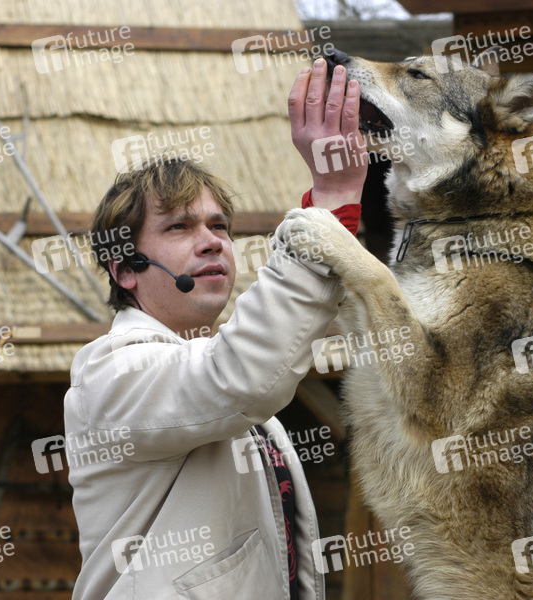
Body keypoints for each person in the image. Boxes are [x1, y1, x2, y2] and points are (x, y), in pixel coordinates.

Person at [65, 58, 368, 599]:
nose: (212, 242)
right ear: (125, 268)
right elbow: (239, 375)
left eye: (219, 225)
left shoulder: (223, 380)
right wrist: (331, 202)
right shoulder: (109, 372)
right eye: (179, 227)